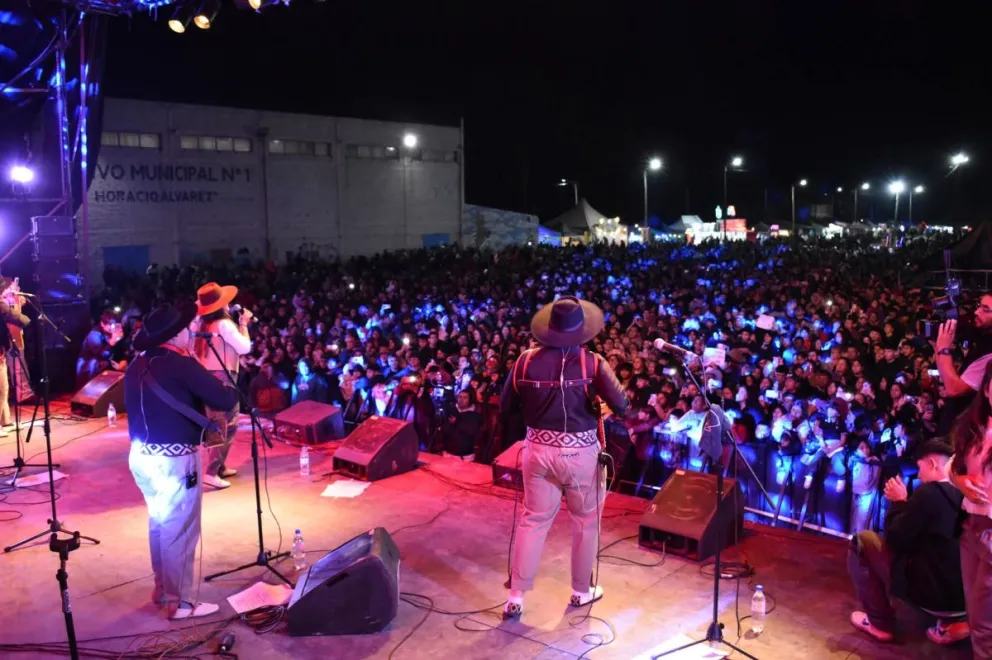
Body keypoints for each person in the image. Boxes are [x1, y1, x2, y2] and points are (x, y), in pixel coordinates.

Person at [499, 296, 629, 619]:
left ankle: (515, 598)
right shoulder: (592, 363)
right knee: (585, 522)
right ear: (581, 331)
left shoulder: (524, 362)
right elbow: (623, 405)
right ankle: (580, 592)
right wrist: (603, 408)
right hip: (580, 454)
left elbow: (505, 408)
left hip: (537, 452)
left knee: (533, 520)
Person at [124, 302, 238, 619]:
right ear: (176, 335)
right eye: (188, 328)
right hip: (174, 461)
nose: (192, 331)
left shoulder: (137, 365)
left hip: (141, 457)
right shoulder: (180, 364)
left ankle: (163, 591)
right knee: (180, 529)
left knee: (160, 523)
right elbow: (226, 398)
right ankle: (182, 603)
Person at [848, 438, 967, 644]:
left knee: (861, 542)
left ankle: (879, 623)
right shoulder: (968, 494)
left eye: (920, 468)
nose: (918, 475)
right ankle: (952, 622)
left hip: (933, 597)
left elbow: (895, 540)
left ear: (932, 464)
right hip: (965, 601)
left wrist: (899, 502)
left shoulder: (930, 492)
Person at [948, 360, 992, 659]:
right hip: (970, 527)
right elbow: (952, 465)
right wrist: (960, 481)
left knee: (986, 621)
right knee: (977, 617)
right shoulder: (975, 424)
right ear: (987, 388)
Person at [192, 282, 252, 489]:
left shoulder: (198, 323)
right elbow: (245, 348)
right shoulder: (224, 325)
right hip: (223, 377)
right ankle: (211, 471)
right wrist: (243, 323)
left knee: (218, 423)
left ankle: (218, 465)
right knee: (226, 424)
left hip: (204, 375)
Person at [0, 277, 29, 435]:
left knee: (3, 387)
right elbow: (11, 313)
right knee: (1, 389)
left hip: (1, 351)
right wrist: (26, 320)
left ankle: (6, 422)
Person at [76, 310, 126, 390]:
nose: (113, 328)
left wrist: (119, 341)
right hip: (88, 366)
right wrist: (111, 343)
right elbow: (101, 354)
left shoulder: (111, 333)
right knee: (99, 362)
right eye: (111, 325)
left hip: (104, 363)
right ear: (103, 324)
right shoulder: (94, 335)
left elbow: (118, 351)